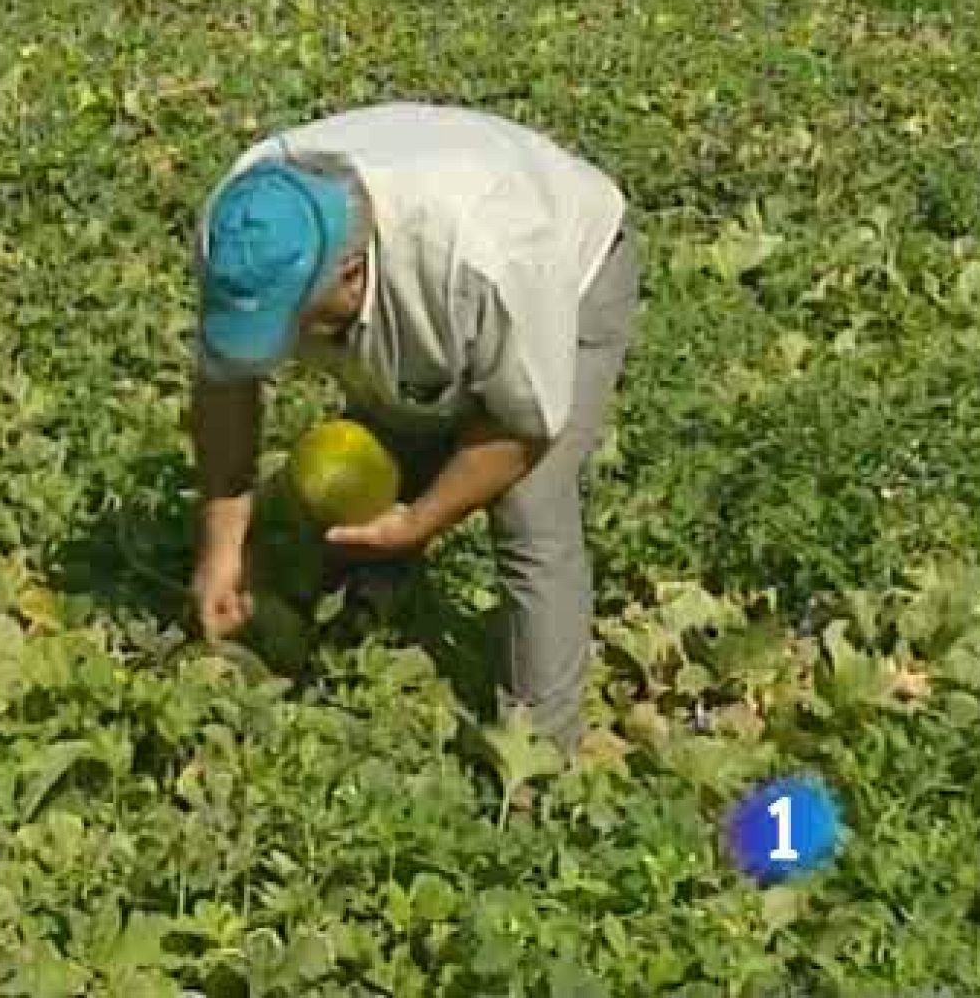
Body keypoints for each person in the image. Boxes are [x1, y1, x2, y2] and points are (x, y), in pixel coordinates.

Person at [188, 101, 642, 757]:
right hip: (425, 282)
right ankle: (363, 596)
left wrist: (423, 517)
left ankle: (540, 752)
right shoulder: (241, 233)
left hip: (569, 269)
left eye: (295, 325)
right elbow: (224, 385)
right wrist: (221, 543)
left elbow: (522, 429)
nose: (283, 347)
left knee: (529, 501)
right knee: (379, 443)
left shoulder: (492, 255)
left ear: (349, 274)